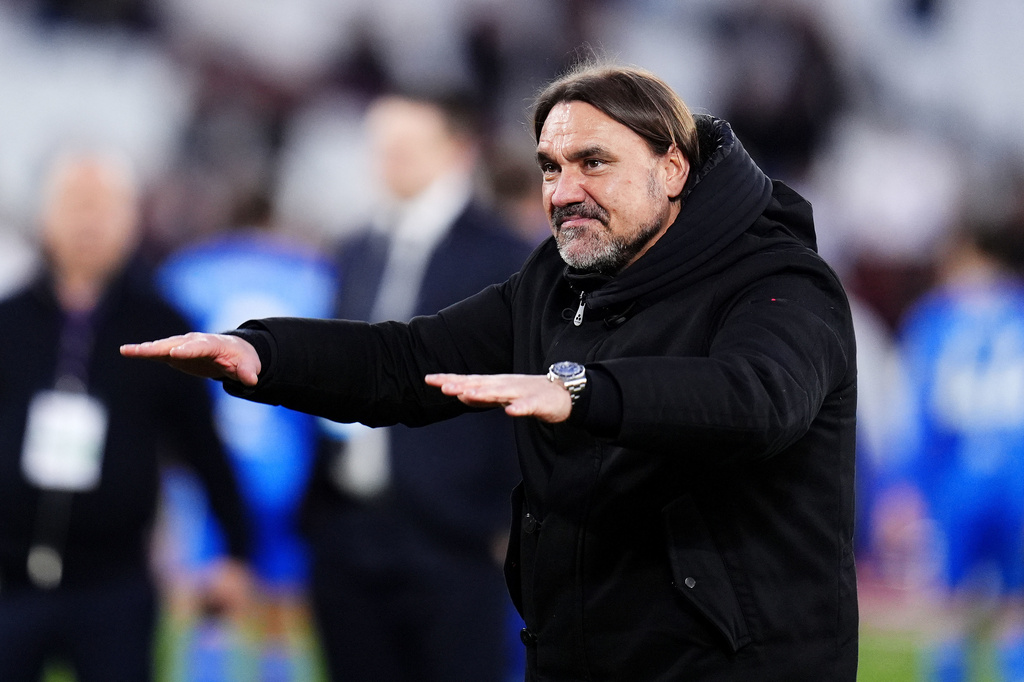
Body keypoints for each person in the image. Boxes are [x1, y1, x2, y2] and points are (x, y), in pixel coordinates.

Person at [122, 61, 859, 681]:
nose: (563, 190)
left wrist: (581, 391)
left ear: (673, 167)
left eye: (593, 161)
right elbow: (408, 360)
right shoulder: (553, 282)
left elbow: (758, 399)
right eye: (550, 166)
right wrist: (266, 354)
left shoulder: (781, 282)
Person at [301, 90, 530, 682]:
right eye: (381, 146)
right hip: (348, 531)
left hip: (452, 538)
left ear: (457, 149)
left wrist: (503, 518)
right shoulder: (354, 249)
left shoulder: (505, 256)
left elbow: (524, 390)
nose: (388, 160)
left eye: (405, 146)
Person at [0, 150, 252, 682]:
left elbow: (203, 444)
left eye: (104, 207)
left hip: (114, 584)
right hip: (8, 580)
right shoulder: (9, 321)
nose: (88, 221)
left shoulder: (163, 326)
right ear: (45, 217)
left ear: (132, 219)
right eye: (74, 204)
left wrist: (235, 548)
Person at [158, 188, 337, 681]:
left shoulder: (185, 273)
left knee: (211, 605)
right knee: (283, 609)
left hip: (211, 468)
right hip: (288, 467)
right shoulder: (311, 275)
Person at [872, 216, 1024, 682]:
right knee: (1016, 613)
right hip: (1018, 476)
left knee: (948, 609)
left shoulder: (937, 317)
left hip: (958, 478)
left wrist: (898, 487)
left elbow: (918, 413)